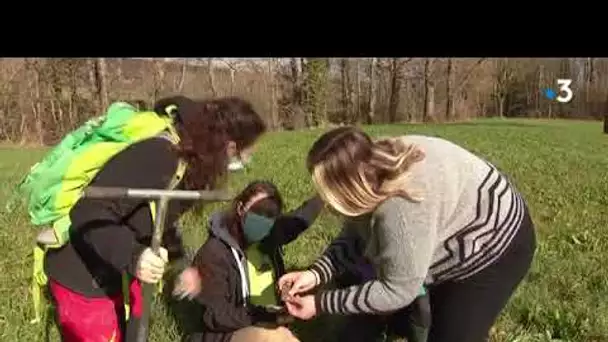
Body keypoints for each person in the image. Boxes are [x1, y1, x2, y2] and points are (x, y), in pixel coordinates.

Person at [279, 126, 537, 342]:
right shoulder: (369, 166)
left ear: (352, 188)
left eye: (328, 192)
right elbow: (356, 235)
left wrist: (321, 303)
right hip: (450, 222)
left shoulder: (401, 210)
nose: (324, 201)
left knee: (452, 333)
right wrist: (315, 274)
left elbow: (397, 290)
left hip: (497, 242)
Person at [44, 96, 267, 342]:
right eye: (246, 153)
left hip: (121, 270)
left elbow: (154, 216)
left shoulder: (191, 163)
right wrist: (133, 255)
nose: (246, 162)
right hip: (83, 273)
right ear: (230, 147)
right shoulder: (160, 154)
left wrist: (180, 262)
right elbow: (87, 211)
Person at [173, 180, 324, 342]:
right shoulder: (214, 253)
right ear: (240, 208)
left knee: (283, 336)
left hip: (269, 326)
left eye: (270, 215)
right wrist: (265, 315)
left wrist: (324, 195)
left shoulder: (270, 237)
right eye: (258, 211)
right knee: (274, 337)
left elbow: (299, 220)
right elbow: (215, 315)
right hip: (223, 335)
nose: (263, 220)